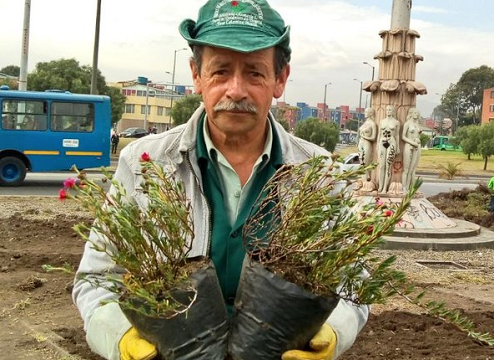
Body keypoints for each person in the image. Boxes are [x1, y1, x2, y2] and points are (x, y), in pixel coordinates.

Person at [72, 1, 369, 360]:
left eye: (255, 73)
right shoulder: (145, 163)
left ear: (281, 79)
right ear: (197, 75)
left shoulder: (317, 172)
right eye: (221, 72)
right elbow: (97, 279)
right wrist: (122, 341)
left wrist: (333, 333)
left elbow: (352, 282)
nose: (236, 90)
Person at [377, 105, 400, 193]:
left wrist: (397, 146)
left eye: (390, 110)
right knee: (381, 166)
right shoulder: (382, 121)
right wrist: (377, 145)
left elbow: (397, 135)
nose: (388, 111)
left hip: (391, 142)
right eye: (387, 110)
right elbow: (379, 134)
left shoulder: (396, 122)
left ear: (393, 111)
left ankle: (384, 188)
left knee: (388, 166)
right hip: (382, 142)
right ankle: (380, 186)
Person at [401, 108, 421, 192]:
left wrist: (418, 140)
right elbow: (403, 136)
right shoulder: (407, 124)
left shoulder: (417, 124)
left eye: (417, 113)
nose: (416, 114)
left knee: (412, 169)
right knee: (406, 169)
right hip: (409, 146)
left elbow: (417, 135)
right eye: (414, 113)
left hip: (417, 146)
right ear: (411, 114)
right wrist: (412, 143)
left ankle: (410, 187)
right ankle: (404, 187)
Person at [357, 108, 377, 183]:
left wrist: (364, 137)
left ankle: (366, 180)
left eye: (367, 112)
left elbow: (373, 138)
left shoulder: (372, 124)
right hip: (361, 143)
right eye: (365, 112)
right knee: (361, 162)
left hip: (367, 143)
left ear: (371, 113)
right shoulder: (365, 122)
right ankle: (364, 180)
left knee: (365, 162)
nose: (365, 113)